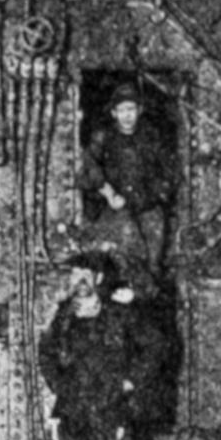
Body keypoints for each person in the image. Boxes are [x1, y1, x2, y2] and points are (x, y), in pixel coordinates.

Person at [39, 253, 174, 440]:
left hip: (111, 408)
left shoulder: (119, 314)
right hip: (75, 411)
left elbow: (156, 346)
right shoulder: (63, 317)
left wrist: (131, 381)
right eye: (74, 275)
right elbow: (46, 354)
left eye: (85, 275)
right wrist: (60, 386)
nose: (79, 282)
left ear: (98, 279)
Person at [79, 82, 177, 293]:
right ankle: (125, 292)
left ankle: (146, 297)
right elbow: (89, 165)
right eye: (122, 110)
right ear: (114, 113)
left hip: (147, 205)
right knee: (123, 253)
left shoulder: (152, 137)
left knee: (154, 259)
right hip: (115, 206)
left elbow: (168, 172)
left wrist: (153, 195)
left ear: (139, 110)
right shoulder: (103, 137)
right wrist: (108, 193)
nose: (127, 115)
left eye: (131, 109)